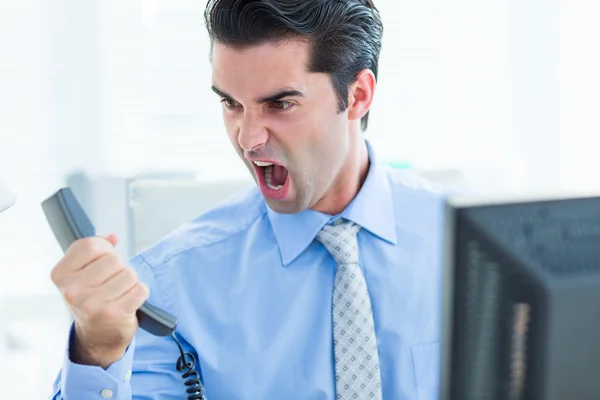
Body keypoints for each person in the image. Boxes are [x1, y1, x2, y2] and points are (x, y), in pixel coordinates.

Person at [50, 0, 449, 398]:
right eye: (231, 104)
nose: (247, 138)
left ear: (358, 95)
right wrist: (99, 350)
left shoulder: (472, 245)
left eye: (280, 104)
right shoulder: (166, 287)